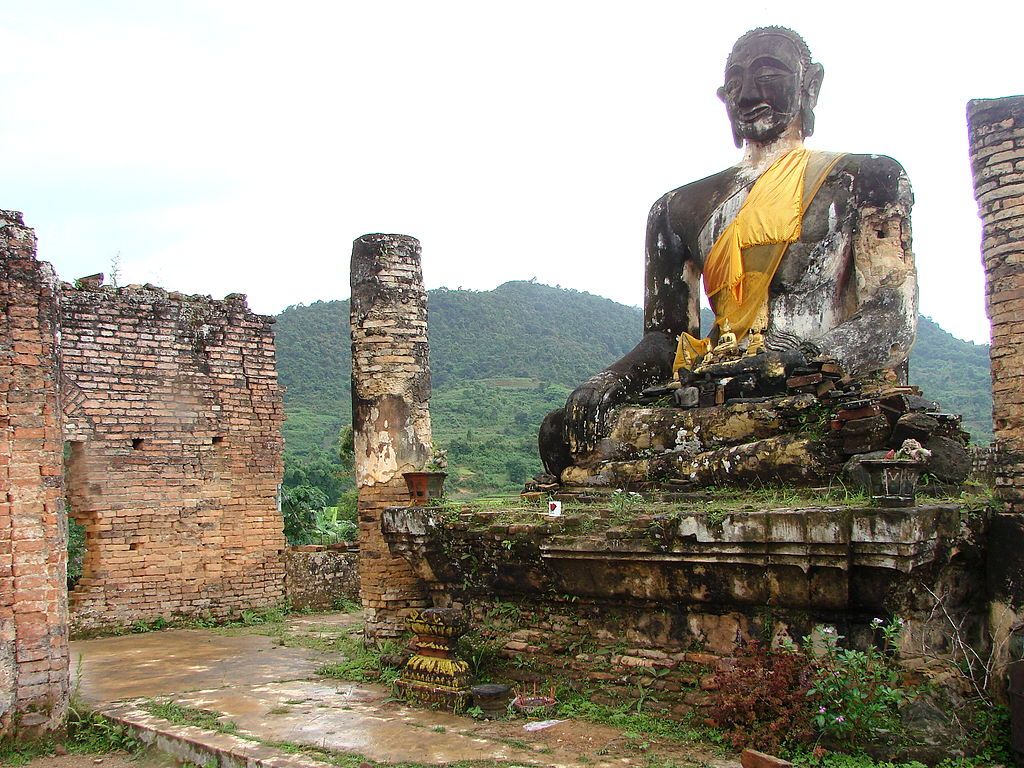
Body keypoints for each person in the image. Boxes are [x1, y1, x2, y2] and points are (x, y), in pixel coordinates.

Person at [539, 26, 918, 479]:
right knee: (564, 432)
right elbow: (666, 341)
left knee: (837, 429)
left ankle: (674, 471)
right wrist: (607, 382)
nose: (749, 94)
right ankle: (710, 465)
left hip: (807, 391)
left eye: (768, 73)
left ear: (811, 84)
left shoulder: (866, 178)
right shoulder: (676, 207)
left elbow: (891, 318)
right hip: (715, 392)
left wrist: (798, 362)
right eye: (735, 83)